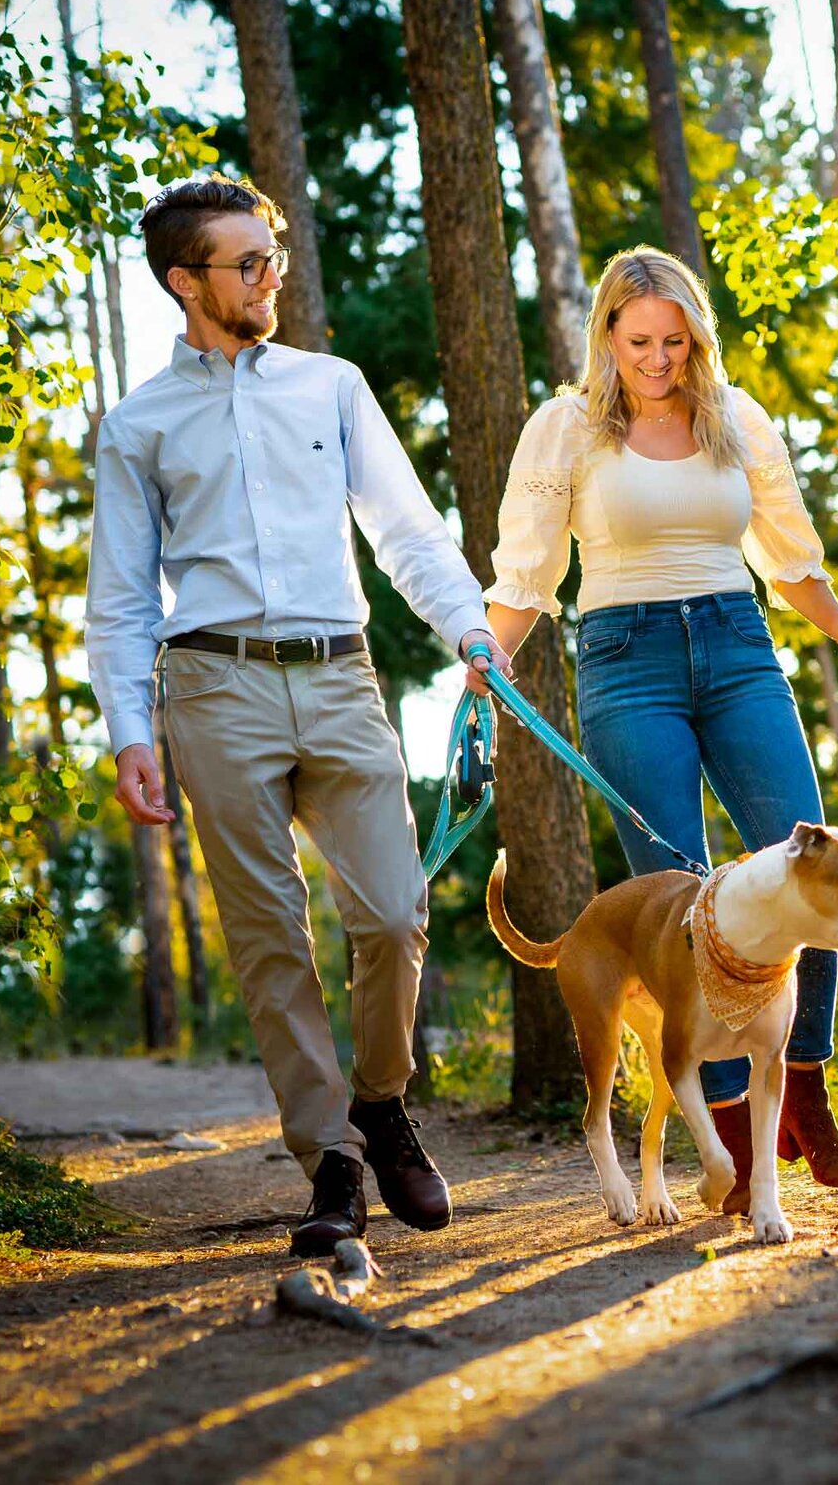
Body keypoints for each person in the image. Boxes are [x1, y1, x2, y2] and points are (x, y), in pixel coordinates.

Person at [86, 177, 513, 1255]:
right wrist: (129, 731)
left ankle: (380, 1099)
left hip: (339, 674)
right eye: (247, 263)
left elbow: (406, 530)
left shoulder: (330, 386)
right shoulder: (138, 425)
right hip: (213, 688)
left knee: (392, 912)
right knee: (271, 938)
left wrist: (470, 631)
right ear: (186, 281)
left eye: (273, 258)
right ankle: (329, 1160)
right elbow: (123, 598)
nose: (270, 277)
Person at [481, 246, 838, 1210]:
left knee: (807, 854)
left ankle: (804, 1093)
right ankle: (728, 1136)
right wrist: (484, 659)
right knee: (677, 887)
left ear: (696, 336)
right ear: (607, 339)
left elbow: (786, 556)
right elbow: (529, 571)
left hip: (738, 642)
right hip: (626, 662)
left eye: (675, 341)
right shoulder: (568, 428)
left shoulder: (735, 417)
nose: (658, 360)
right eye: (638, 343)